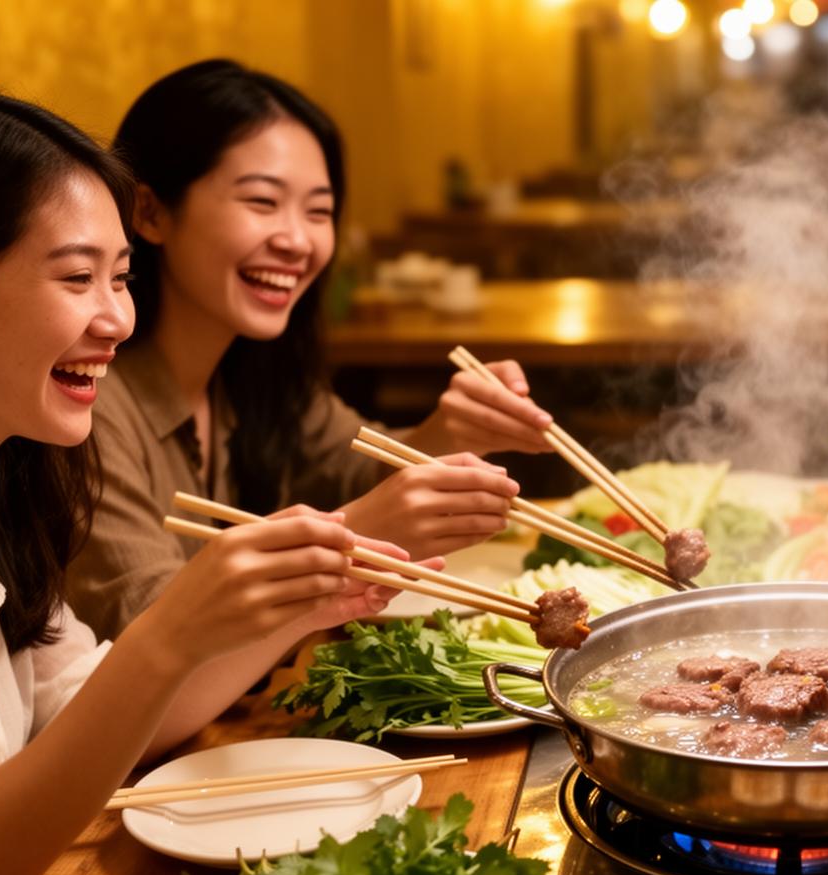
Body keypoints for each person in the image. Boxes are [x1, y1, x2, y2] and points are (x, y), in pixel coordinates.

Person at [0, 83, 413, 875]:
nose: (116, 318)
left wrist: (303, 604)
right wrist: (169, 635)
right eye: (76, 279)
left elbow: (122, 718)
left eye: (121, 278)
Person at [66, 59, 552, 638]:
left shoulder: (249, 371)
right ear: (149, 212)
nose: (297, 240)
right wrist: (356, 528)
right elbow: (142, 627)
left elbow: (351, 468)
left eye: (318, 212)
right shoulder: (86, 405)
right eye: (262, 202)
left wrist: (448, 431)